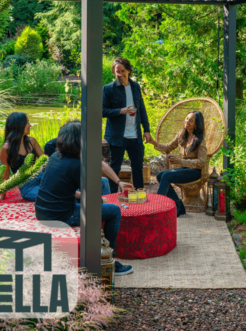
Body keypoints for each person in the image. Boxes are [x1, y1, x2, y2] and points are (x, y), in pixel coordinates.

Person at [35, 121, 133, 275]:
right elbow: (93, 199)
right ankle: (107, 259)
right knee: (114, 211)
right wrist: (101, 201)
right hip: (60, 216)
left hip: (42, 211)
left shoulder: (55, 156)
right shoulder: (76, 165)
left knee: (102, 189)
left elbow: (62, 189)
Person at [103, 57, 152, 193]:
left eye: (122, 71)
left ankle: (139, 194)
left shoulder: (135, 87)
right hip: (117, 137)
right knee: (115, 168)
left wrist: (146, 130)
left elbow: (141, 109)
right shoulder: (108, 89)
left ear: (129, 71)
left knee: (137, 167)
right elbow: (101, 111)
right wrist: (121, 111)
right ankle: (112, 198)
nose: (120, 74)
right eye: (117, 72)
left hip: (135, 136)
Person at [147, 111, 207, 217]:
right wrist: (153, 142)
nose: (187, 121)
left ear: (196, 124)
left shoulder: (200, 140)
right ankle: (179, 206)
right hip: (184, 169)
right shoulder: (181, 135)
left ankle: (155, 208)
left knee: (166, 176)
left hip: (195, 172)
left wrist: (181, 161)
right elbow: (167, 148)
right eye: (187, 118)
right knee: (160, 175)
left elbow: (201, 162)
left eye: (191, 120)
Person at [0, 112, 44, 201]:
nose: (30, 125)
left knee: (65, 189)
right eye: (27, 122)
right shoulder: (6, 148)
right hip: (27, 186)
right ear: (18, 125)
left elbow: (46, 160)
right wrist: (2, 195)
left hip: (42, 177)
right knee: (52, 195)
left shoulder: (32, 141)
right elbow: (5, 173)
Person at [45, 136, 111, 196]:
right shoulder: (68, 162)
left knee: (104, 181)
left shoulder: (78, 148)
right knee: (114, 209)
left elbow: (100, 164)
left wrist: (118, 181)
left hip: (77, 183)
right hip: (69, 200)